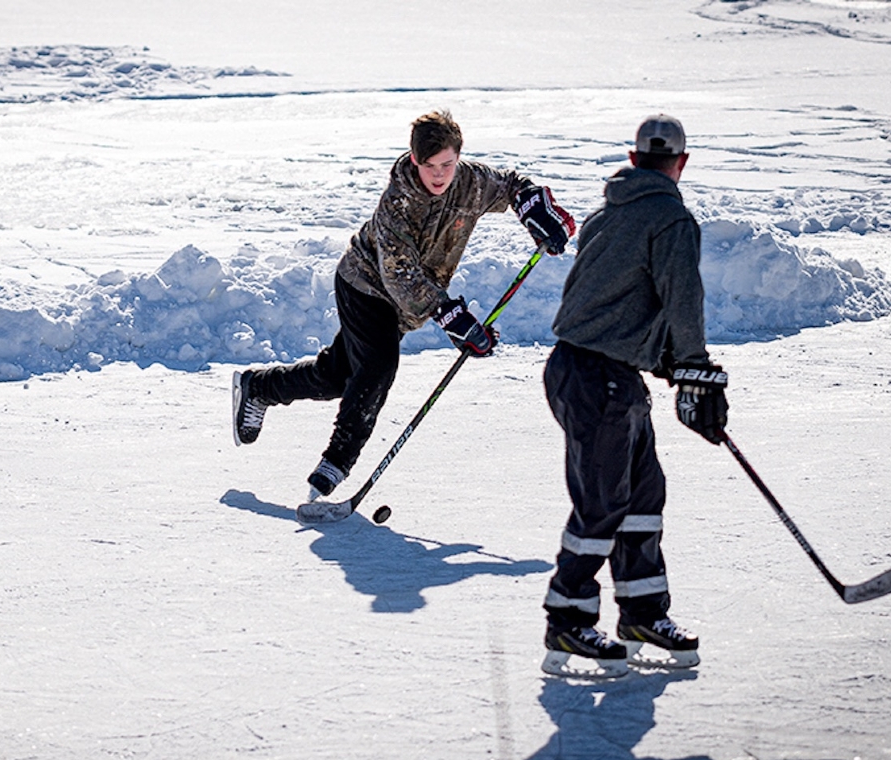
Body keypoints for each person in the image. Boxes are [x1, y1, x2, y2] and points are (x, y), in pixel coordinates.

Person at [232, 110, 576, 500]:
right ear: (414, 159)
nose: (439, 175)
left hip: (404, 303)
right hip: (365, 285)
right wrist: (449, 315)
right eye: (430, 166)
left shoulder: (471, 183)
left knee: (338, 377)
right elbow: (399, 274)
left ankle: (259, 387)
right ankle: (336, 463)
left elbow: (511, 184)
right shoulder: (399, 202)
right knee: (377, 366)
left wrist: (532, 203)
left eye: (447, 163)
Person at [540, 114, 728, 679]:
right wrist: (693, 367)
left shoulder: (605, 214)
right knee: (602, 504)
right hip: (601, 379)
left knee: (643, 494)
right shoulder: (670, 216)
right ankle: (568, 621)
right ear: (682, 163)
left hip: (590, 371)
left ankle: (643, 613)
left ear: (633, 157)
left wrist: (664, 360)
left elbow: (612, 300)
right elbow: (681, 297)